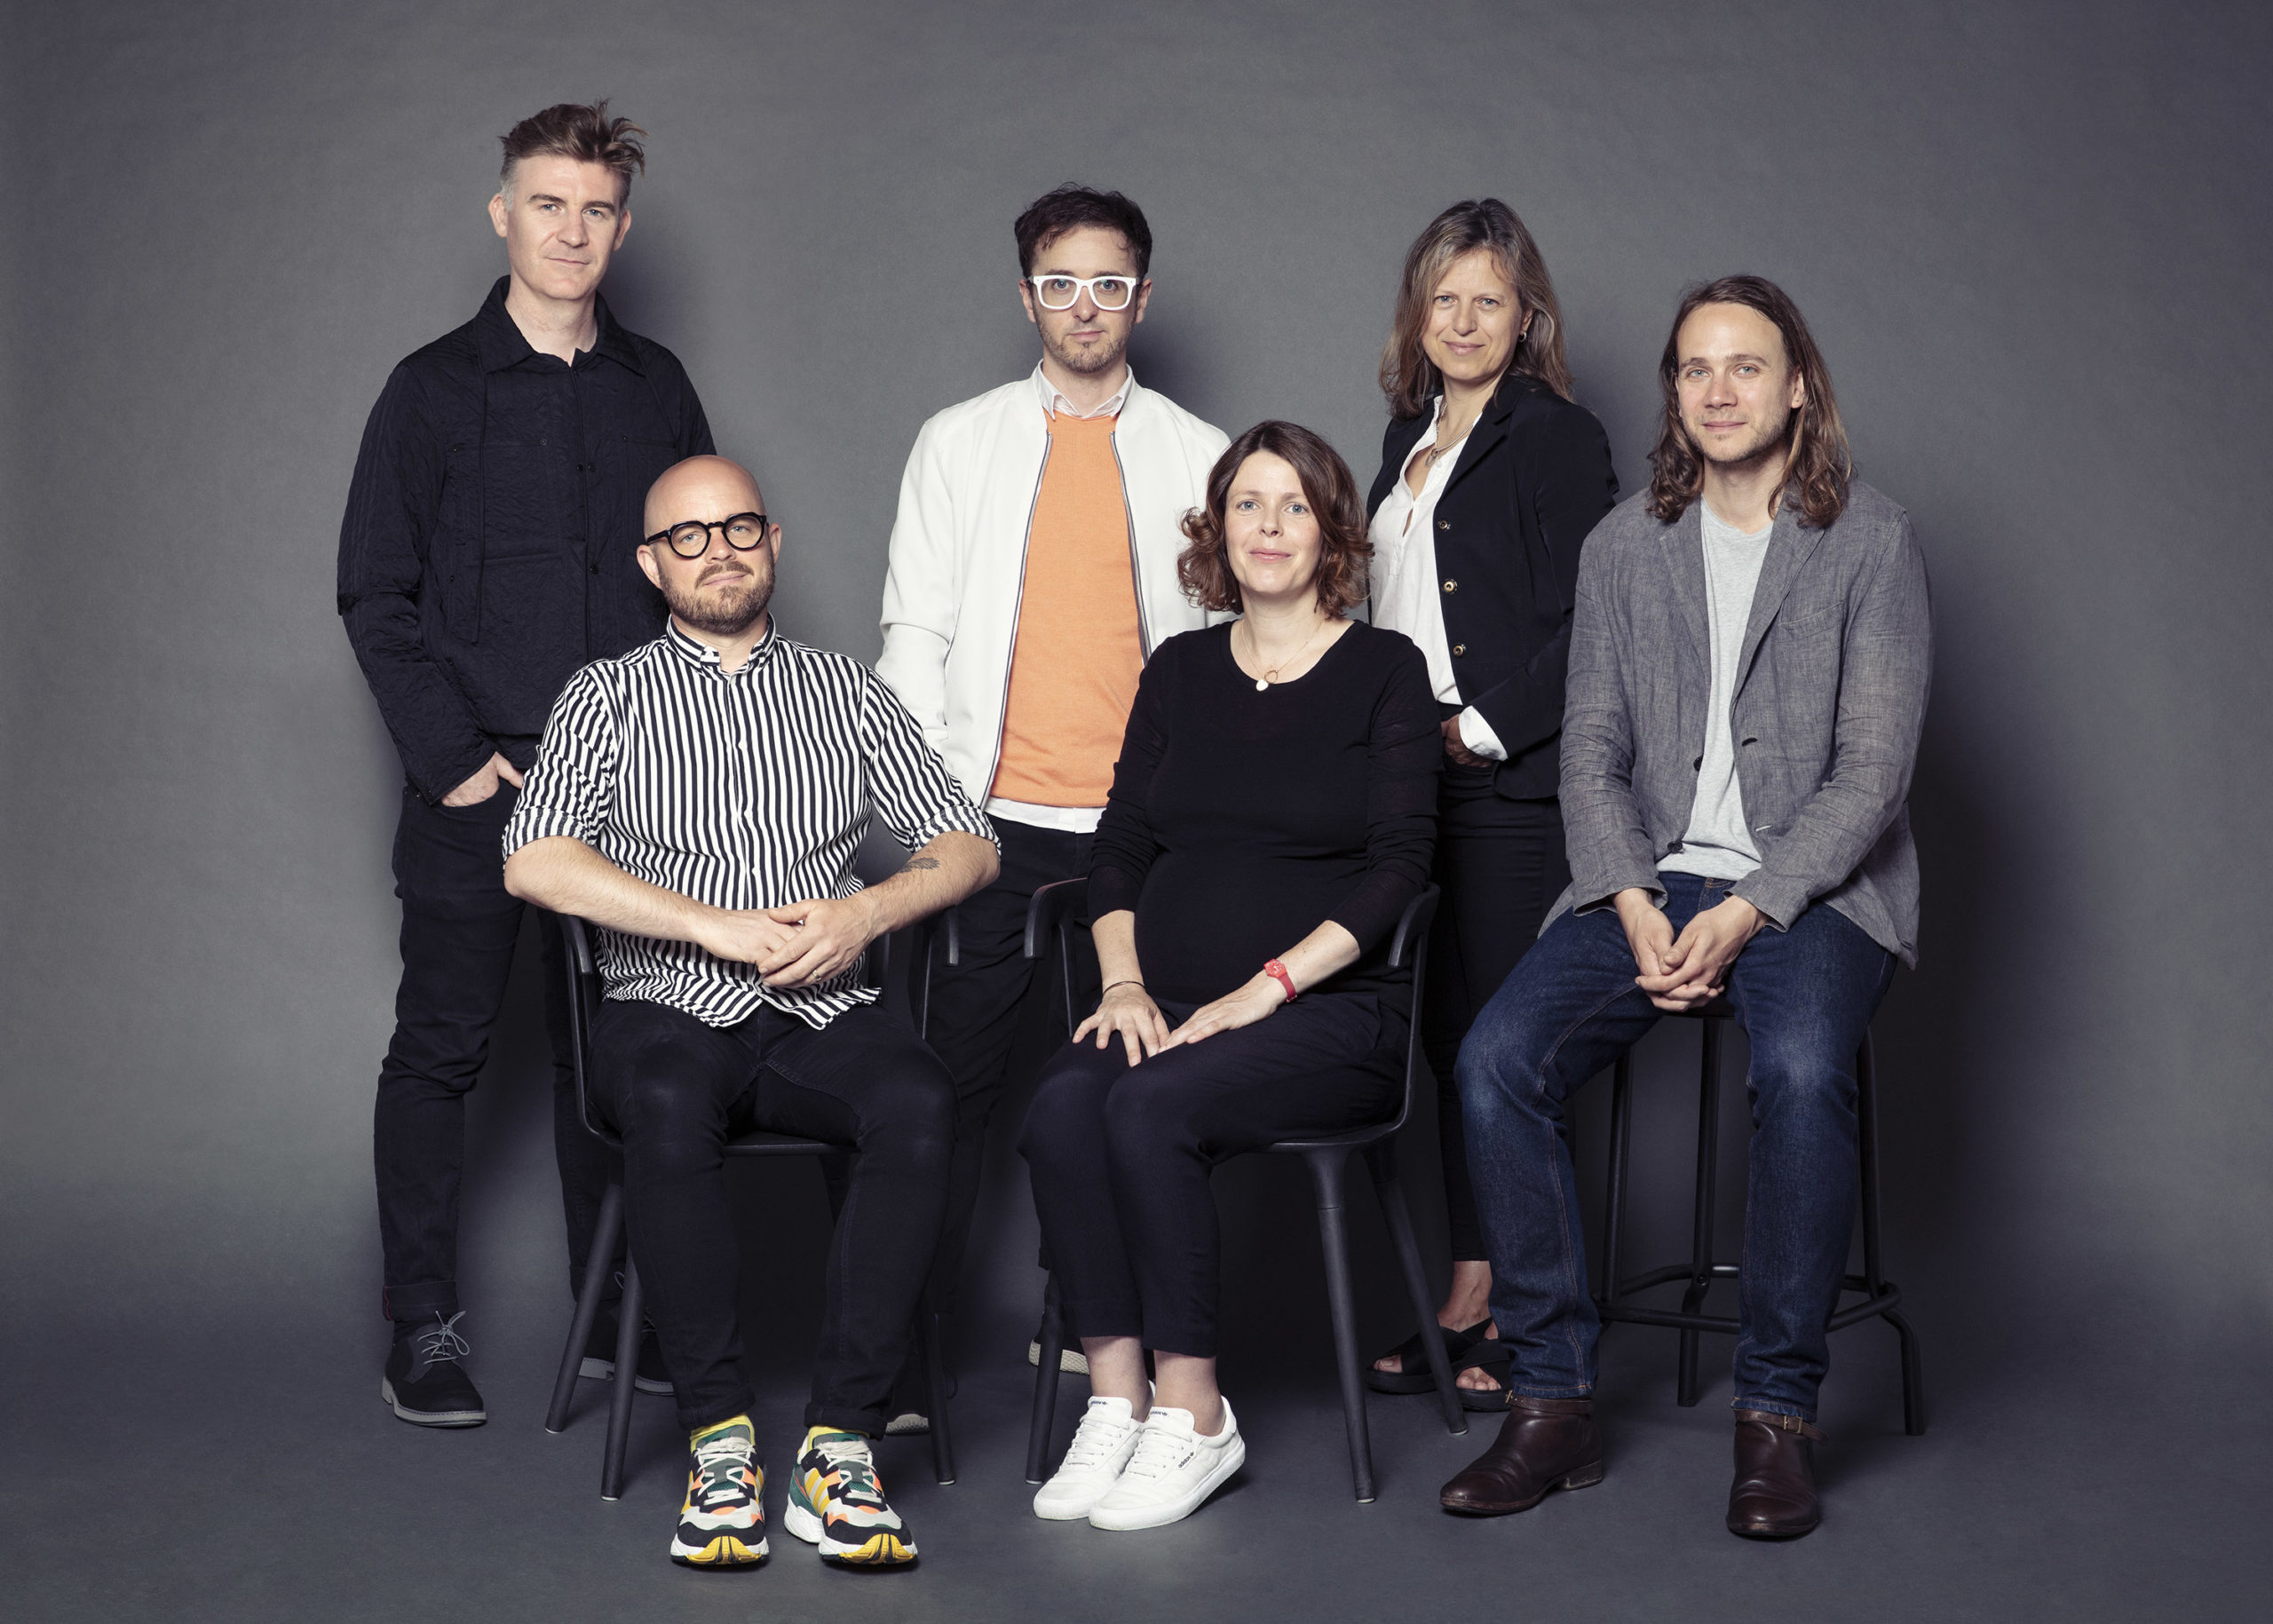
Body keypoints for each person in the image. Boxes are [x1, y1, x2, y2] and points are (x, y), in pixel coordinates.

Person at [1440, 277, 1931, 1540]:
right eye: (1694, 370)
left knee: (1808, 1068)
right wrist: (1629, 895)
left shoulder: (1868, 539)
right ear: (1674, 392)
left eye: (1746, 367)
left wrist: (1756, 905)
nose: (1718, 392)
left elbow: (1873, 774)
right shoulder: (1624, 545)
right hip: (1647, 876)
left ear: (1799, 385)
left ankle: (1776, 1416)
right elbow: (1592, 748)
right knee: (1494, 1059)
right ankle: (1551, 1399)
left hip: (1817, 888)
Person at [503, 456, 998, 1570]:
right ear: (650, 564)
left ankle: (841, 1446)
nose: (717, 548)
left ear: (774, 542)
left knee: (919, 1094)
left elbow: (970, 842)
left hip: (822, 1006)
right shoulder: (604, 693)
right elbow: (533, 859)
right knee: (669, 1099)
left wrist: (867, 911)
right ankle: (719, 1442)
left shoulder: (845, 690)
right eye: (688, 535)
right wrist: (709, 924)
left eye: (737, 527)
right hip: (665, 1005)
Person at [337, 101, 713, 1426]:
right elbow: (375, 592)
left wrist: (688, 761)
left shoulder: (655, 387)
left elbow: (704, 569)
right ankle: (421, 1329)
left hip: (627, 800)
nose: (572, 229)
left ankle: (623, 1315)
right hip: (480, 791)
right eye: (547, 203)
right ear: (503, 213)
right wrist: (450, 763)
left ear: (623, 225)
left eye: (596, 208)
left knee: (610, 1061)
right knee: (441, 1052)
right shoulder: (430, 389)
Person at [1019, 422, 1442, 1531]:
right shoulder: (1182, 669)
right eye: (1248, 504)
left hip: (1332, 1013)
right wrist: (1122, 987)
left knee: (1152, 1104)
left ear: (1332, 531)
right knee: (1065, 1103)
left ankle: (1194, 1411)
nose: (1269, 526)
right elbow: (1117, 847)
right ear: (1217, 529)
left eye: (1295, 505)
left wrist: (1267, 986)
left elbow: (1402, 868)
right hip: (1166, 1005)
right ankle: (1114, 1397)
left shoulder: (1385, 672)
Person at [875, 185, 1228, 1401]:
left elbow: (1230, 660)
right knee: (951, 1090)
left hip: (1146, 839)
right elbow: (911, 637)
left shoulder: (1200, 455)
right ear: (1028, 296)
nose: (1087, 307)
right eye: (1062, 284)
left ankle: (1097, 1328)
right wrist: (936, 810)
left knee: (1129, 1090)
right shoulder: (957, 441)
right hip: (990, 826)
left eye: (1111, 283)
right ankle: (902, 1349)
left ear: (1144, 295)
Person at [1359, 200, 1618, 1406]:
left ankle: (1528, 1311)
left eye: (1489, 302)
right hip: (1412, 787)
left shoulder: (1557, 439)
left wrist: (1481, 725)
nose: (1463, 322)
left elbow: (1595, 622)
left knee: (1506, 1057)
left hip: (1509, 786)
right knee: (1442, 1044)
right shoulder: (1402, 438)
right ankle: (1473, 1290)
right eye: (1445, 299)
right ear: (1419, 313)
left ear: (1529, 317)